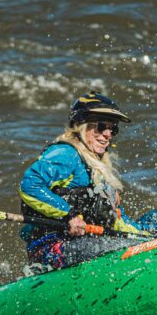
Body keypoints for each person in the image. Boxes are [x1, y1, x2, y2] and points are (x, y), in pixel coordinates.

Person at [19, 91, 144, 270]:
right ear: (81, 126)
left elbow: (118, 219)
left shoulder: (99, 169)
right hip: (50, 248)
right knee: (116, 249)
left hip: (88, 244)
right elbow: (30, 184)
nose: (108, 134)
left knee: (131, 244)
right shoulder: (66, 154)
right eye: (101, 127)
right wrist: (68, 215)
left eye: (113, 129)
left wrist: (146, 237)